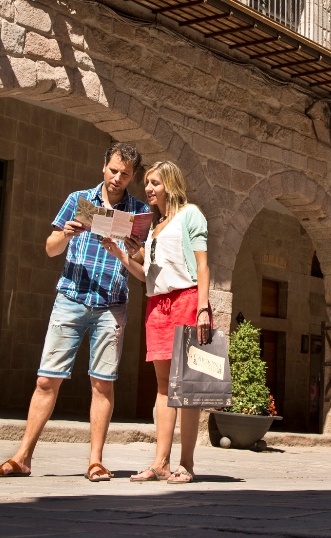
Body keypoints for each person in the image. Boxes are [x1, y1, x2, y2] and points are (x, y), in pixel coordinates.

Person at [0, 142, 147, 483]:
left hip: (111, 305)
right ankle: (22, 456)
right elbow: (50, 249)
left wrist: (128, 251)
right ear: (104, 165)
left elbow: (141, 267)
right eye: (113, 170)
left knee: (102, 384)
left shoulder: (137, 213)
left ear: (133, 176)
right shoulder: (80, 200)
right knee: (47, 379)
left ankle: (96, 461)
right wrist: (65, 233)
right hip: (72, 297)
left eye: (125, 174)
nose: (117, 178)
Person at [102, 160, 210, 485]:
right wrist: (122, 255)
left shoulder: (191, 214)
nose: (148, 188)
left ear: (171, 185)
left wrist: (203, 307)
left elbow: (202, 266)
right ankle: (160, 462)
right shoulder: (152, 228)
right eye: (147, 183)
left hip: (187, 300)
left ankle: (186, 463)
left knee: (186, 389)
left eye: (155, 183)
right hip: (157, 306)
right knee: (163, 387)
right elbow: (147, 276)